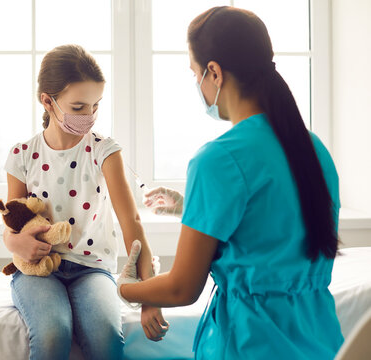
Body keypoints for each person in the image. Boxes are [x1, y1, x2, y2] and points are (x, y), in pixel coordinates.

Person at [117, 6, 344, 360]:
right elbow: (271, 225)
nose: (197, 84)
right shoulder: (313, 149)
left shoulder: (218, 159)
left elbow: (182, 288)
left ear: (214, 72)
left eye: (195, 73)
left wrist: (129, 289)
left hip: (251, 346)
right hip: (321, 342)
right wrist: (190, 207)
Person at [2, 44, 168, 360]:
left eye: (96, 106)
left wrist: (149, 296)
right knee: (53, 334)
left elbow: (132, 223)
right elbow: (12, 223)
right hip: (39, 270)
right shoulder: (23, 155)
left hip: (92, 268)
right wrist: (17, 242)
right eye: (78, 107)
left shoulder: (105, 151)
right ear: (47, 101)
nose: (89, 117)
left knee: (105, 336)